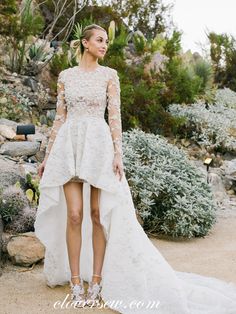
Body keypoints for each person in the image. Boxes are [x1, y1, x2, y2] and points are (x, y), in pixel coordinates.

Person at [34, 24, 236, 313]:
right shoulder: (66, 77)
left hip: (99, 147)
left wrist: (118, 154)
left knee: (97, 214)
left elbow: (115, 116)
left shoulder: (109, 76)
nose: (105, 45)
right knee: (75, 215)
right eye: (99, 40)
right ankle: (76, 281)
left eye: (106, 41)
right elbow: (58, 118)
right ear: (85, 43)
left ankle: (97, 282)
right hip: (69, 147)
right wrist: (47, 156)